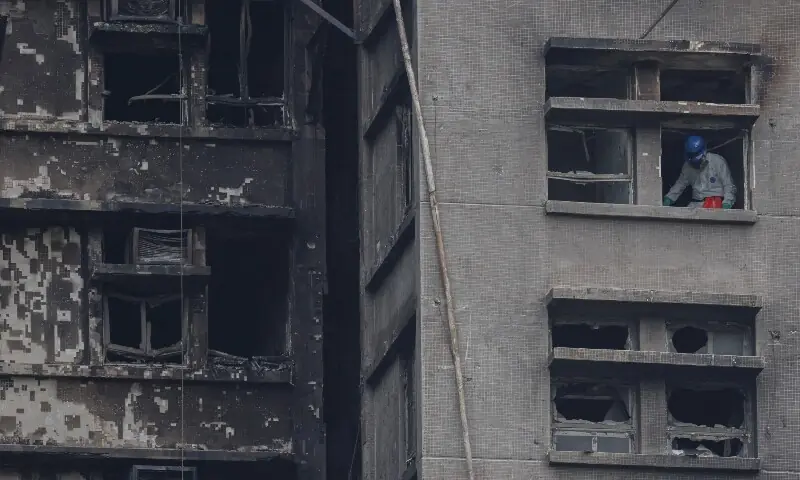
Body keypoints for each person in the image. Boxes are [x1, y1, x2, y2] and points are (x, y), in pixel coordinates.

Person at [663, 135, 736, 209]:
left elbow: (728, 185)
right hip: (695, 203)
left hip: (715, 202)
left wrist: (727, 202)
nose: (695, 164)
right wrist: (669, 198)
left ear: (704, 152)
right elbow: (680, 184)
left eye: (698, 161)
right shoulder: (687, 166)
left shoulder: (717, 161)